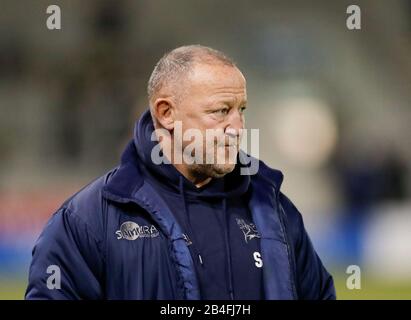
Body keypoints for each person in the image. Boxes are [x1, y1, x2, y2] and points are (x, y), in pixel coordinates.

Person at [25, 45, 335, 300]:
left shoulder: (275, 211)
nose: (238, 128)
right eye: (220, 111)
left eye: (241, 110)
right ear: (166, 113)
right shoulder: (89, 219)